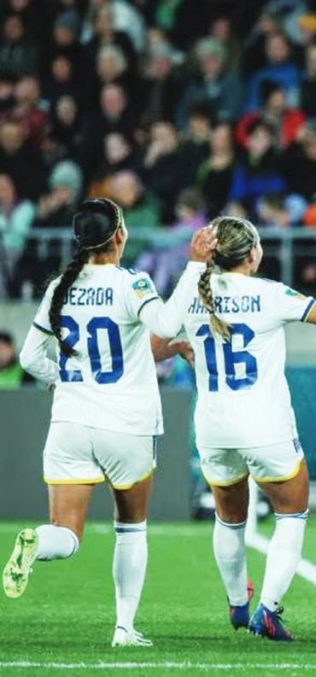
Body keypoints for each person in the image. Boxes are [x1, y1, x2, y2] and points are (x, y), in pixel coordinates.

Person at [177, 216, 316, 642]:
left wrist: (191, 352)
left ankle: (237, 605)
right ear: (253, 253)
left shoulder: (191, 295)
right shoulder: (269, 293)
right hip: (264, 425)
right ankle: (269, 609)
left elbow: (160, 340)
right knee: (292, 514)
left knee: (228, 518)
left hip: (211, 426)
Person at [4, 199, 211, 646]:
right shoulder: (130, 283)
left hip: (71, 422)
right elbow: (168, 321)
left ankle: (37, 543)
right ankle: (124, 627)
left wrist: (66, 380)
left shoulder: (61, 285)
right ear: (120, 235)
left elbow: (29, 358)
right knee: (131, 528)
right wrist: (194, 266)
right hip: (127, 424)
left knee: (66, 534)